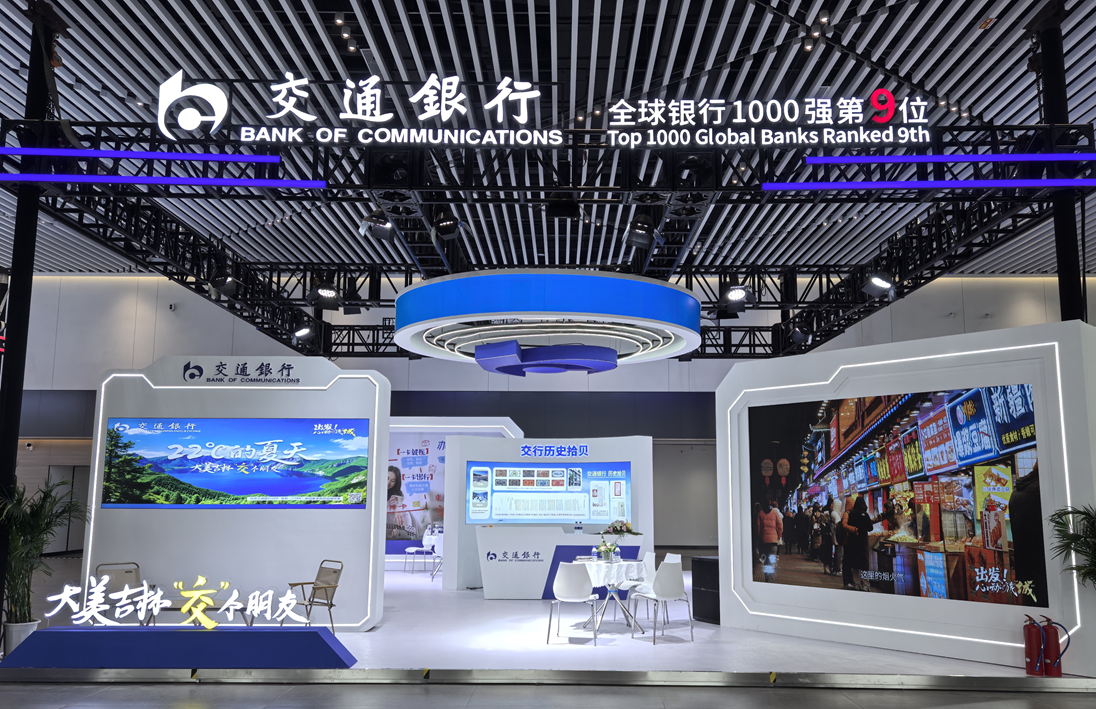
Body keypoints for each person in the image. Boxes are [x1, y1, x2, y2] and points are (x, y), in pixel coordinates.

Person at [844, 496, 876, 591]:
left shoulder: (851, 514)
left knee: (855, 564)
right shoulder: (864, 515)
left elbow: (848, 526)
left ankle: (857, 584)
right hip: (862, 542)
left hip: (853, 542)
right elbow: (870, 528)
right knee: (864, 565)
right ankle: (865, 585)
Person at [756, 498, 784, 582]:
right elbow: (780, 526)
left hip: (764, 541)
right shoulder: (775, 513)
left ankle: (767, 578)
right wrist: (778, 537)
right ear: (770, 502)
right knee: (771, 560)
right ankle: (771, 578)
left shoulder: (760, 513)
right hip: (773, 542)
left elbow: (758, 528)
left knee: (766, 561)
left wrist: (760, 537)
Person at [830, 498, 845, 577]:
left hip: (836, 536)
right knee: (839, 553)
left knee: (837, 552)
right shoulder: (835, 514)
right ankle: (837, 569)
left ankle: (836, 569)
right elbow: (838, 525)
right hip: (837, 537)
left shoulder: (834, 513)